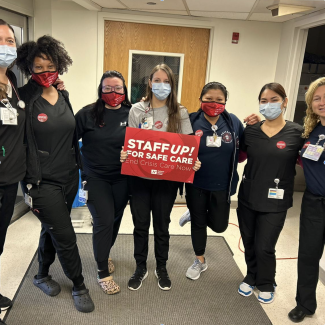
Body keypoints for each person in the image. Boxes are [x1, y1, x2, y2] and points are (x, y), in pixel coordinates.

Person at [16, 35, 94, 313]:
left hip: (68, 178)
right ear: (29, 68)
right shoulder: (22, 98)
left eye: (50, 65)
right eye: (38, 67)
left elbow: (70, 135)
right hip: (39, 182)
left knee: (51, 229)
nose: (45, 72)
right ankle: (79, 284)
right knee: (65, 234)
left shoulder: (63, 94)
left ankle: (40, 276)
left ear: (59, 64)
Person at [121, 63, 200, 291]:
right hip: (140, 179)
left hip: (167, 181)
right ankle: (140, 267)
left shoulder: (180, 112)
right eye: (157, 80)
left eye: (166, 81)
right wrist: (125, 154)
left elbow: (188, 146)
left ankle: (161, 267)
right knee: (140, 225)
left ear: (172, 85)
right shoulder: (137, 109)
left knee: (162, 226)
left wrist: (192, 161)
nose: (161, 85)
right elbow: (131, 143)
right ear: (149, 82)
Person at [179, 82, 259, 280]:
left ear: (225, 102)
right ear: (200, 100)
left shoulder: (232, 122)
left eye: (219, 100)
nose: (214, 104)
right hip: (196, 184)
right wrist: (188, 162)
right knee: (199, 223)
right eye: (208, 100)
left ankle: (196, 213)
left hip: (223, 184)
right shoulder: (190, 121)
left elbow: (242, 153)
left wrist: (258, 126)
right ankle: (200, 260)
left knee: (219, 226)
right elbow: (178, 151)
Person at [236, 83, 304, 304]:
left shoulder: (297, 132)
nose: (268, 105)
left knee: (265, 245)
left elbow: (309, 163)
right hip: (248, 196)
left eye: (274, 100)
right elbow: (238, 158)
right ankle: (251, 275)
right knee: (248, 240)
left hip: (276, 201)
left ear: (284, 102)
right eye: (263, 101)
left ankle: (266, 281)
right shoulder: (252, 131)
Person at [75, 70, 131, 294]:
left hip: (123, 177)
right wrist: (79, 167)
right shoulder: (87, 113)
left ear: (125, 90)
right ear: (100, 90)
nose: (113, 92)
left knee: (115, 219)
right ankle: (102, 272)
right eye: (107, 88)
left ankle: (104, 254)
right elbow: (68, 141)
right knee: (104, 220)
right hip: (95, 177)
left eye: (117, 88)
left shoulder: (133, 112)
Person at [288, 77, 325, 323]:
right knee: (308, 254)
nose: (322, 102)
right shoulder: (311, 132)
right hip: (314, 202)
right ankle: (305, 304)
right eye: (317, 98)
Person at [0, 19, 25, 325]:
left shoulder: (12, 84)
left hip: (9, 181)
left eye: (10, 41)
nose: (6, 46)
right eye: (1, 40)